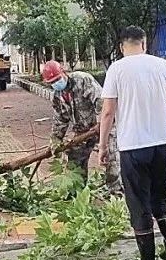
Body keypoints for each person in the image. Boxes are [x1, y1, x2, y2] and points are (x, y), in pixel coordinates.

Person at [98, 26, 166, 260]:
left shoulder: (117, 69)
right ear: (144, 44)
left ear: (122, 46)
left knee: (138, 203)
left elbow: (108, 112)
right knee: (159, 198)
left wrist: (102, 147)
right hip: (161, 145)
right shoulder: (161, 66)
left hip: (133, 147)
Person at [42, 60, 121, 194]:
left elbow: (101, 101)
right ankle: (78, 191)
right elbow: (60, 119)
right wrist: (56, 140)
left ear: (64, 73)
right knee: (75, 158)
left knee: (111, 156)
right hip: (82, 131)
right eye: (52, 83)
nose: (56, 84)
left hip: (102, 125)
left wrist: (100, 124)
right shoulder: (58, 96)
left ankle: (115, 191)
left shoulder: (82, 80)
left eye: (57, 79)